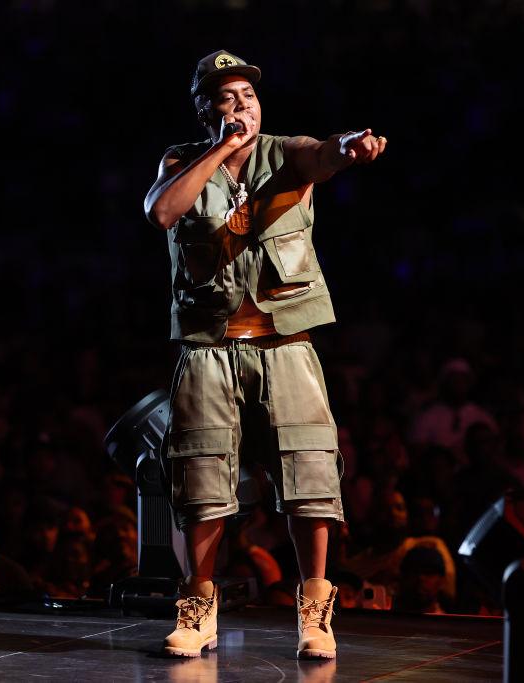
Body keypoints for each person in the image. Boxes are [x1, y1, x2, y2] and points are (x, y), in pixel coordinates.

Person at [143, 50, 386, 659]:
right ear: (206, 108)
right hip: (208, 346)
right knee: (200, 480)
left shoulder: (286, 152)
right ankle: (198, 611)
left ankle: (315, 613)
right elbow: (162, 212)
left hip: (286, 342)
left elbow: (324, 154)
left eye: (247, 96)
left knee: (311, 474)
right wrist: (221, 151)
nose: (241, 105)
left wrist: (349, 146)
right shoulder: (182, 162)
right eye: (226, 97)